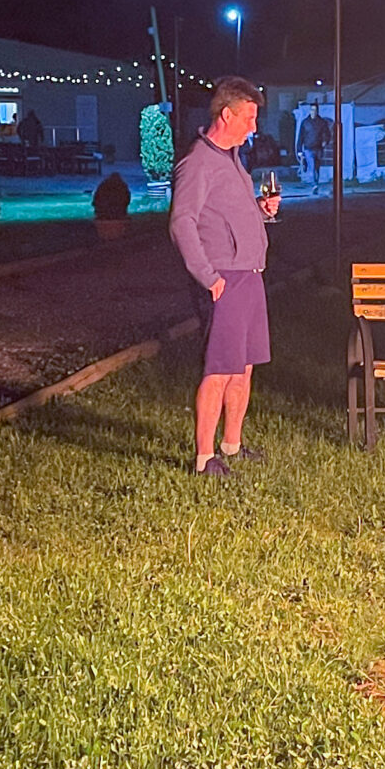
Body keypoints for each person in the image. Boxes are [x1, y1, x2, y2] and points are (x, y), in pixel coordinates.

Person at [169, 76, 281, 475]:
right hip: (224, 280)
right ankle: (203, 458)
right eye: (249, 118)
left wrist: (260, 212)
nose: (254, 127)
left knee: (244, 366)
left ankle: (231, 445)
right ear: (227, 114)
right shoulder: (198, 162)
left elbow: (226, 213)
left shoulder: (231, 158)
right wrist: (209, 277)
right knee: (219, 369)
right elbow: (182, 222)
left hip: (249, 275)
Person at [297, 109, 330, 185]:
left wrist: (325, 141)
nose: (313, 112)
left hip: (318, 147)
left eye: (315, 111)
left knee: (317, 166)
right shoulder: (305, 122)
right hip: (308, 147)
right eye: (312, 110)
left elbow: (327, 133)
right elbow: (301, 136)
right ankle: (314, 183)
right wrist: (299, 150)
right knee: (312, 165)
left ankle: (316, 180)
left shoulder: (322, 122)